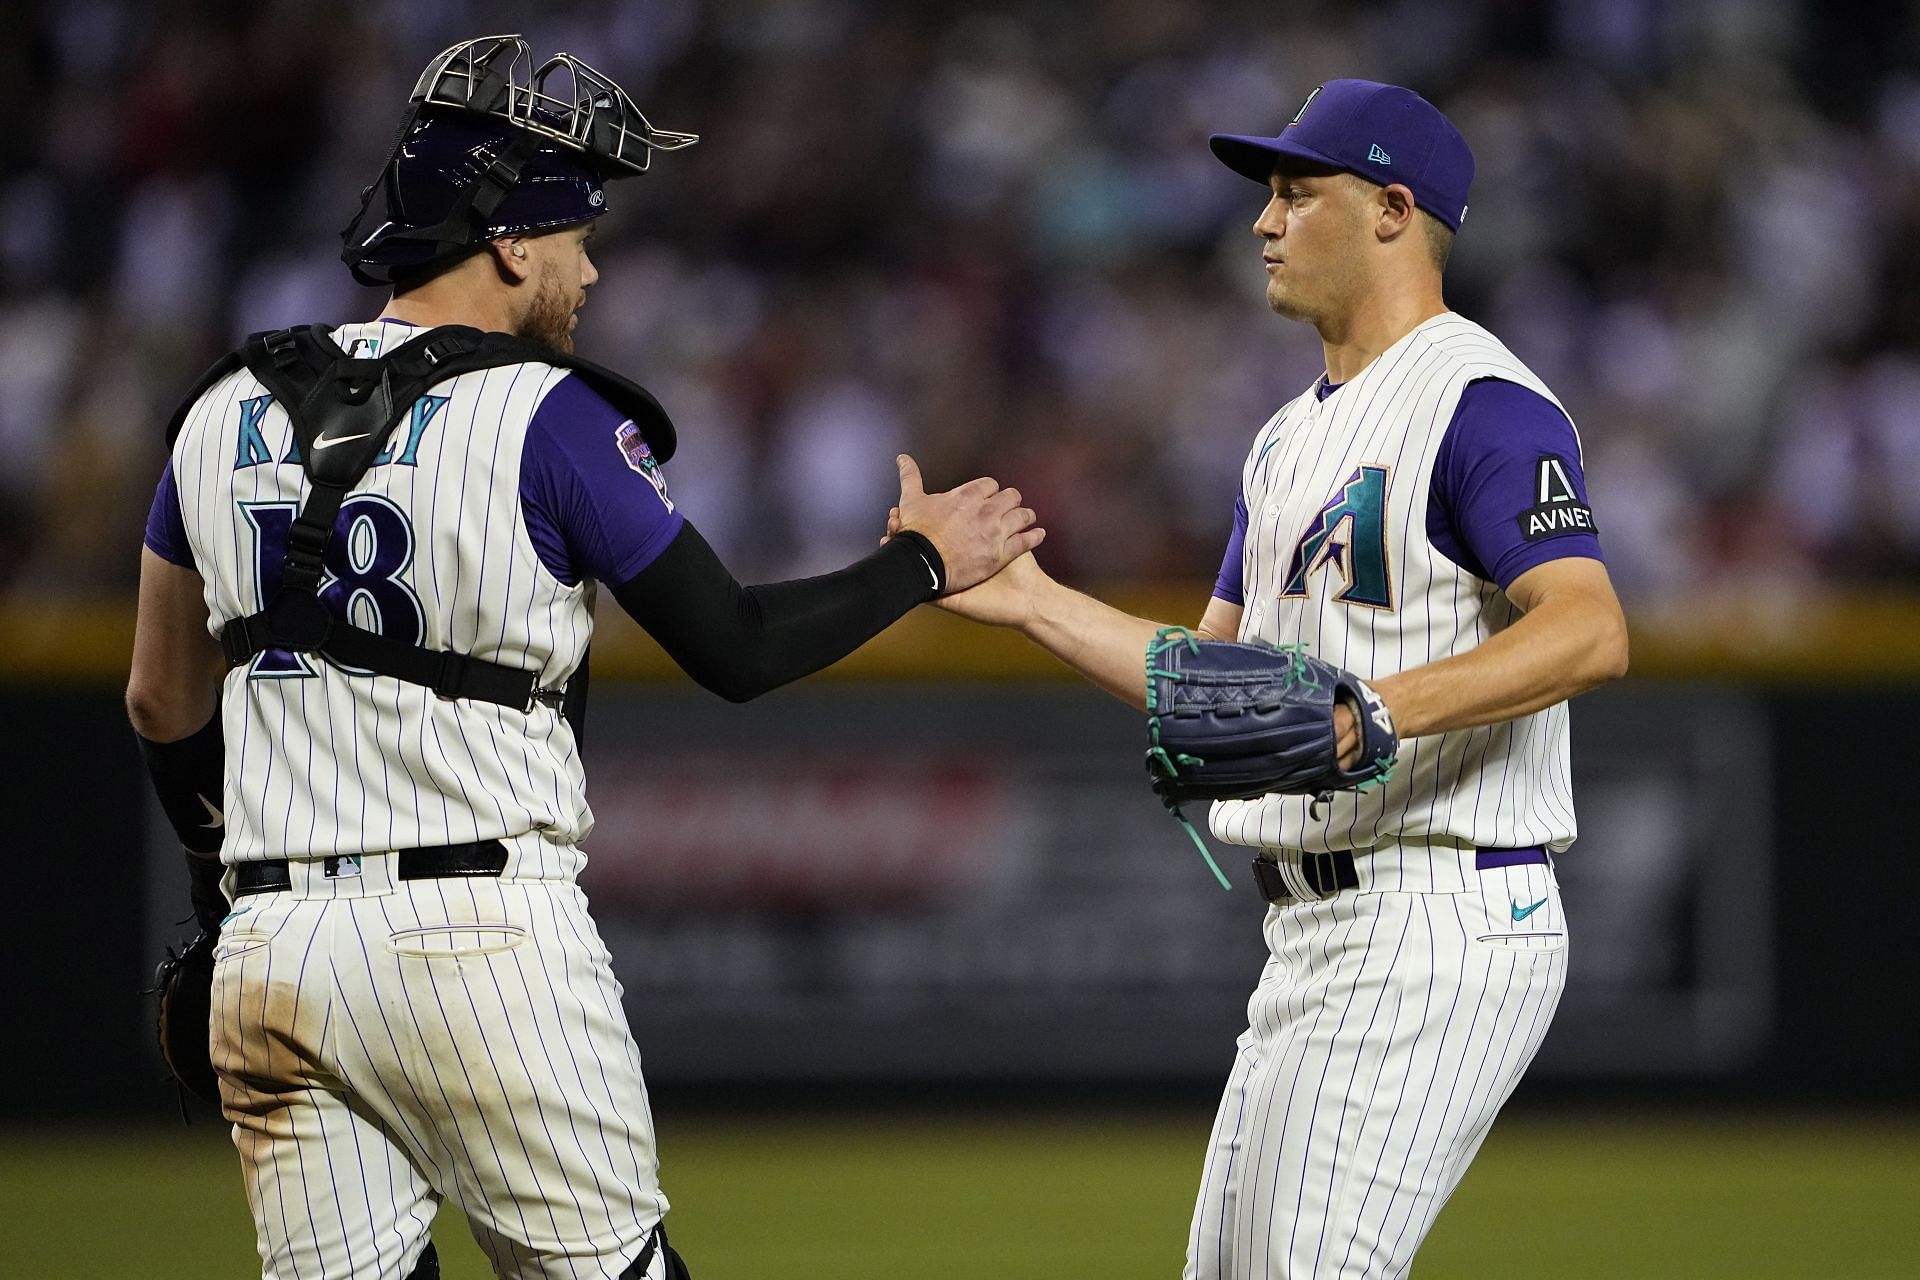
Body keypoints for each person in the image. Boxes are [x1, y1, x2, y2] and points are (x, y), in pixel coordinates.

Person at [125, 35, 1040, 1280]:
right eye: (575, 236)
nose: (591, 267)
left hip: (273, 949)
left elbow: (159, 697)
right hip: (483, 941)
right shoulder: (547, 414)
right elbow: (735, 646)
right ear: (507, 242)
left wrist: (220, 893)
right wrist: (923, 564)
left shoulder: (217, 405)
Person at [925, 79, 1628, 1278]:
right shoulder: (1284, 438)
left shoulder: (1481, 402)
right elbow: (1209, 676)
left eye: (1300, 193)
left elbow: (1589, 630)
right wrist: (1033, 602)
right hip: (1316, 932)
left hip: (1437, 907)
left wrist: (1377, 711)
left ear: (1395, 210)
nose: (1264, 220)